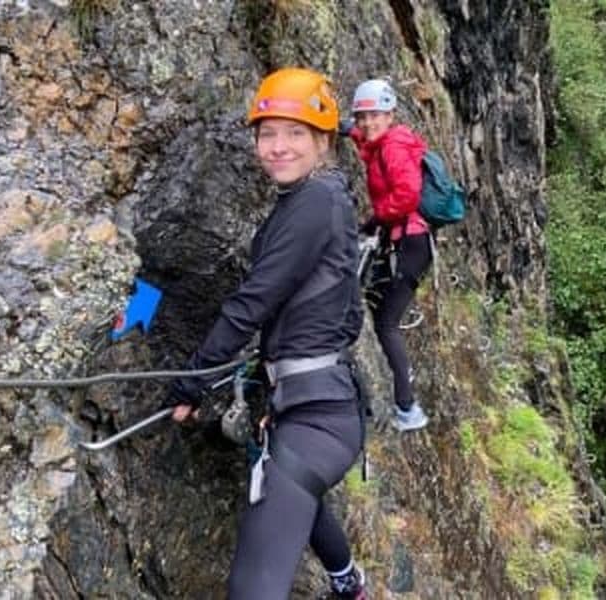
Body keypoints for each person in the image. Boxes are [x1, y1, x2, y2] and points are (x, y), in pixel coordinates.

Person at [166, 67, 367, 600]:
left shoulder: (316, 203)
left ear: (323, 141)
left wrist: (192, 380)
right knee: (298, 492)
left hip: (316, 418)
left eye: (295, 133)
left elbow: (255, 300)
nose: (278, 146)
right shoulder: (311, 199)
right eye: (267, 133)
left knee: (254, 583)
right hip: (315, 403)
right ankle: (348, 584)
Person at [347, 78, 432, 432]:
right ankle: (401, 389)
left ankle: (408, 408)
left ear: (390, 115)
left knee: (386, 322)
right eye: (362, 116)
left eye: (375, 115)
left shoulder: (393, 146)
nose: (368, 122)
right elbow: (365, 140)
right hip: (405, 240)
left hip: (409, 243)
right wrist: (345, 129)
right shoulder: (383, 142)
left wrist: (375, 218)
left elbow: (408, 195)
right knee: (374, 306)